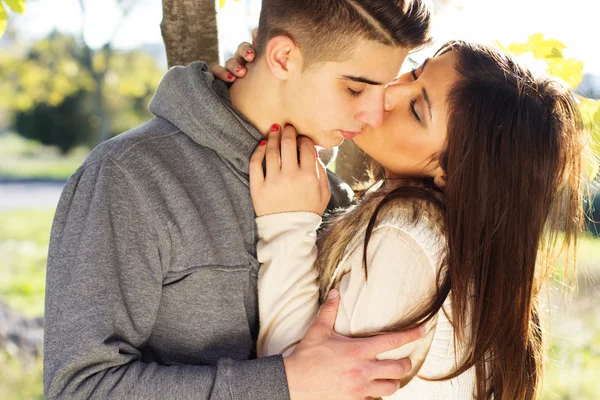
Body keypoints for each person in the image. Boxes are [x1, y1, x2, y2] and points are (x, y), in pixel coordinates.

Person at [43, 1, 435, 399]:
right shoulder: (129, 176)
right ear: (283, 58)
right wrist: (288, 383)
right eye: (354, 88)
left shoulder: (335, 198)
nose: (374, 114)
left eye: (382, 90)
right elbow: (79, 388)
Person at [224, 40, 590, 399]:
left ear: (454, 172)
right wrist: (263, 87)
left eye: (416, 110)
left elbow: (302, 385)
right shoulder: (461, 253)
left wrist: (286, 225)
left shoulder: (406, 240)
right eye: (415, 71)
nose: (389, 92)